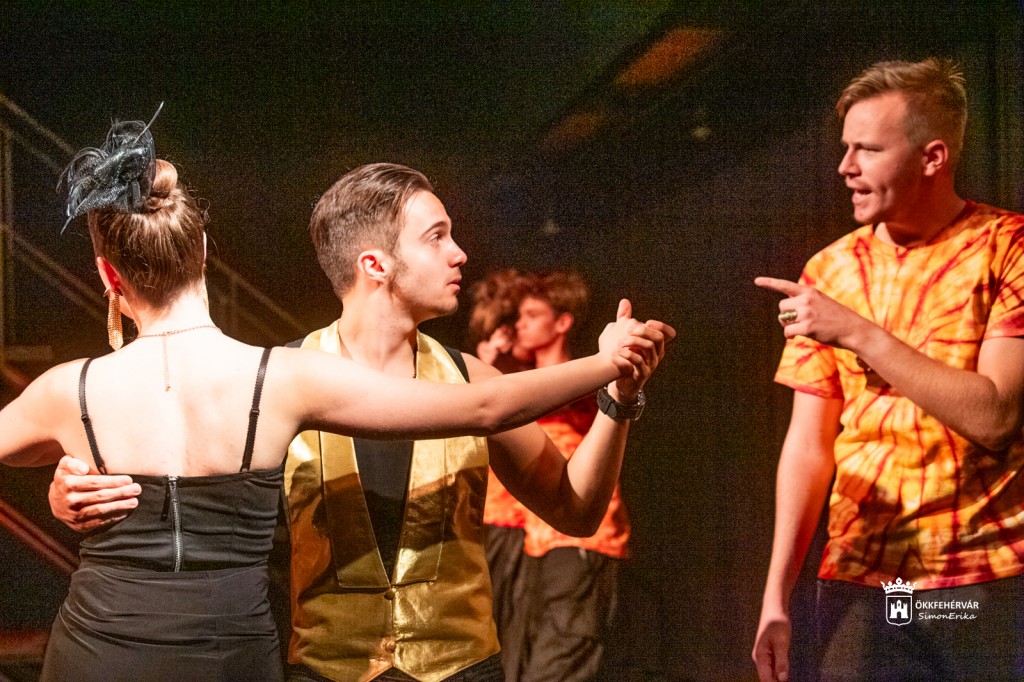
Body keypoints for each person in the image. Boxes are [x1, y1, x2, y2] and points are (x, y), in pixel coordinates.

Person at [3, 118, 671, 682]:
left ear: (110, 275)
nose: (462, 254)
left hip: (459, 669)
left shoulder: (459, 377)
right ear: (374, 263)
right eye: (437, 236)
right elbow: (187, 503)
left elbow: (572, 504)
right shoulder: (281, 380)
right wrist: (71, 489)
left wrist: (617, 399)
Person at [752, 58, 1024, 682]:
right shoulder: (829, 271)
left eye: (868, 149)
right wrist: (775, 595)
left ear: (933, 158)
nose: (845, 167)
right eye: (845, 147)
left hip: (982, 579)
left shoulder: (1006, 245)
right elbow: (809, 446)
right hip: (862, 582)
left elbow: (996, 416)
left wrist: (855, 330)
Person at [514, 271, 631, 682]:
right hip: (537, 541)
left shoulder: (585, 378)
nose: (520, 324)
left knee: (559, 664)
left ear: (562, 322)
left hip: (582, 539)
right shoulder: (518, 380)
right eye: (519, 316)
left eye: (532, 315)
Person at [469, 268, 534, 681]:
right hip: (495, 513)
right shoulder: (483, 361)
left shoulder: (534, 364)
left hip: (527, 518)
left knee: (520, 622)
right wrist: (493, 354)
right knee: (491, 614)